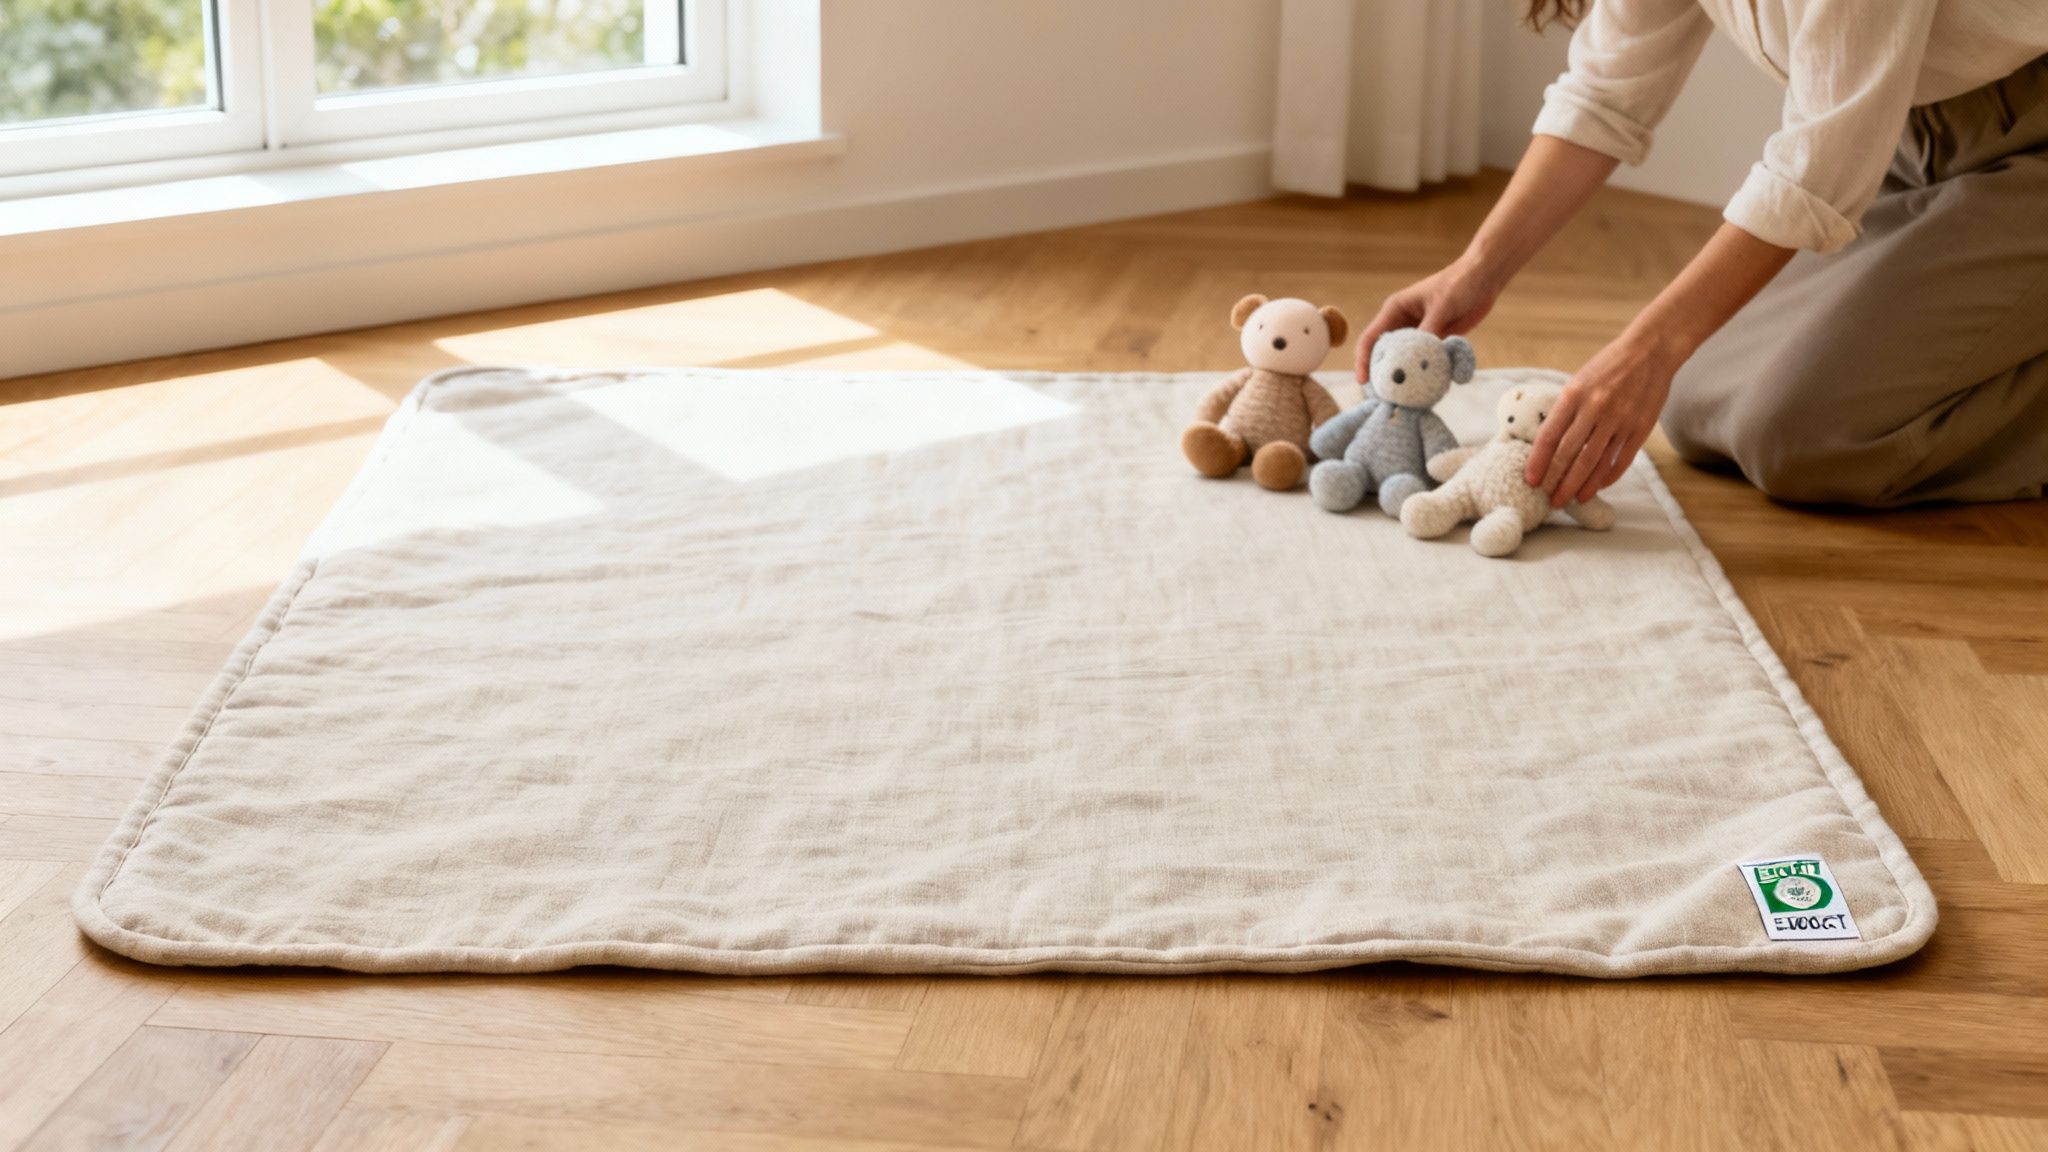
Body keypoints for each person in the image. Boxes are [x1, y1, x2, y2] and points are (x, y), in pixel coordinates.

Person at [1356, 0, 2048, 507]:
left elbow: (1819, 167)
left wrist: (1646, 349)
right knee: (1696, 406)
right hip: (1910, 141)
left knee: (1801, 440)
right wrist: (1477, 270)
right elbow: (1604, 95)